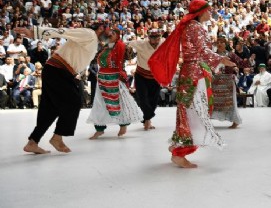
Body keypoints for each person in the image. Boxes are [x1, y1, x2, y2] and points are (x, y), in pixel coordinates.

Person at [148, 0, 235, 169]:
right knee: (195, 111)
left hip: (191, 72)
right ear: (201, 12)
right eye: (209, 10)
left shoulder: (190, 27)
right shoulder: (195, 27)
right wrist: (221, 59)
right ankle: (180, 152)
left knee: (189, 109)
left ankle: (178, 146)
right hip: (195, 74)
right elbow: (203, 51)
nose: (211, 13)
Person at [17, 24, 107, 154]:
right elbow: (64, 32)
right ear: (100, 28)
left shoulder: (94, 41)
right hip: (58, 69)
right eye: (108, 28)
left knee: (51, 109)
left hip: (59, 70)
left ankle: (33, 142)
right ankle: (57, 137)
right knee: (74, 102)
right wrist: (36, 33)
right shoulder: (89, 33)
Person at [87, 29, 143, 139]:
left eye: (111, 34)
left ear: (117, 35)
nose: (108, 35)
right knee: (99, 103)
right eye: (107, 34)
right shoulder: (105, 47)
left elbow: (124, 59)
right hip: (102, 78)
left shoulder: (121, 46)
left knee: (120, 102)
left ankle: (123, 125)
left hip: (115, 78)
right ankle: (99, 129)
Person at [212, 35, 253, 128]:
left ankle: (235, 121)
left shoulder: (231, 54)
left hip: (228, 81)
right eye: (217, 42)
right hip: (215, 81)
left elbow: (242, 63)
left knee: (231, 102)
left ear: (225, 44)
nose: (219, 44)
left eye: (221, 42)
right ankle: (207, 119)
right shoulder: (213, 55)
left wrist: (248, 58)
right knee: (214, 101)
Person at [127, 29, 164, 130]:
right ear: (149, 37)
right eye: (153, 37)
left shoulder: (164, 43)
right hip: (141, 75)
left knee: (154, 100)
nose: (156, 40)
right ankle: (148, 119)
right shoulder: (141, 43)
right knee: (143, 98)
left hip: (155, 76)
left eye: (157, 37)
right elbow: (128, 44)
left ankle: (147, 119)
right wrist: (129, 50)